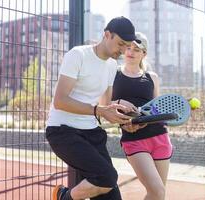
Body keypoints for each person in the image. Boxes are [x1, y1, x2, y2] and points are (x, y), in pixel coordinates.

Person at [45, 16, 138, 200]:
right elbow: (60, 101)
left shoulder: (112, 66)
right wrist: (99, 111)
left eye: (127, 46)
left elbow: (105, 105)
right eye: (120, 44)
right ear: (107, 34)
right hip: (63, 132)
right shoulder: (78, 55)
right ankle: (64, 197)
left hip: (91, 133)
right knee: (107, 177)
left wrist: (124, 120)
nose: (123, 50)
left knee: (111, 195)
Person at [112, 32, 172, 200]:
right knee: (158, 191)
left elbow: (155, 109)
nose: (130, 52)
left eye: (136, 49)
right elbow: (104, 104)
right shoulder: (113, 74)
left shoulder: (152, 77)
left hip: (159, 137)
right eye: (128, 48)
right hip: (133, 139)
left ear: (143, 54)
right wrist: (120, 101)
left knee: (158, 194)